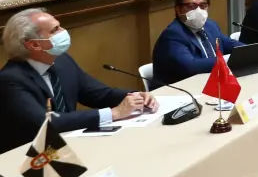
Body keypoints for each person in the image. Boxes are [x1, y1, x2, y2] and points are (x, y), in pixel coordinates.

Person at [0, 8, 155, 153]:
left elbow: (98, 94)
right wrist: (113, 113)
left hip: (70, 144)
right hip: (30, 156)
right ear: (34, 44)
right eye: (54, 30)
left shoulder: (62, 61)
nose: (63, 31)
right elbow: (46, 123)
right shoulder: (10, 80)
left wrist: (134, 96)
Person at [152, 0, 243, 87]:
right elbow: (191, 67)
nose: (198, 11)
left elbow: (229, 44)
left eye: (203, 6)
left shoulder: (210, 25)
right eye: (191, 6)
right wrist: (227, 60)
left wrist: (250, 51)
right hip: (180, 89)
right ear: (178, 10)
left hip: (212, 83)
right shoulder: (173, 34)